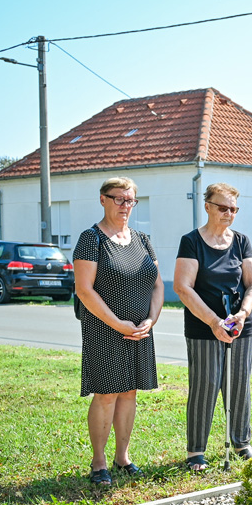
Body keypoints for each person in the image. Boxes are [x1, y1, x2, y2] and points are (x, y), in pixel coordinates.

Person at [73, 177, 164, 486]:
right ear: (103, 199)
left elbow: (157, 285)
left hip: (139, 330)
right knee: (107, 394)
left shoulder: (142, 239)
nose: (125, 206)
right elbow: (84, 290)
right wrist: (118, 324)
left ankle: (122, 457)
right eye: (119, 199)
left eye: (130, 200)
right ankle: (99, 462)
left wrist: (151, 319)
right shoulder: (91, 239)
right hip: (104, 330)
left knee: (129, 392)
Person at [175, 183, 252, 472]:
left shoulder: (241, 241)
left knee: (239, 384)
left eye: (234, 209)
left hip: (239, 326)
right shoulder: (191, 241)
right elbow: (183, 287)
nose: (229, 214)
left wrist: (243, 313)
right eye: (223, 207)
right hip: (204, 327)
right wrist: (213, 321)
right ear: (207, 206)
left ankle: (241, 443)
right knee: (205, 385)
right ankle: (196, 451)